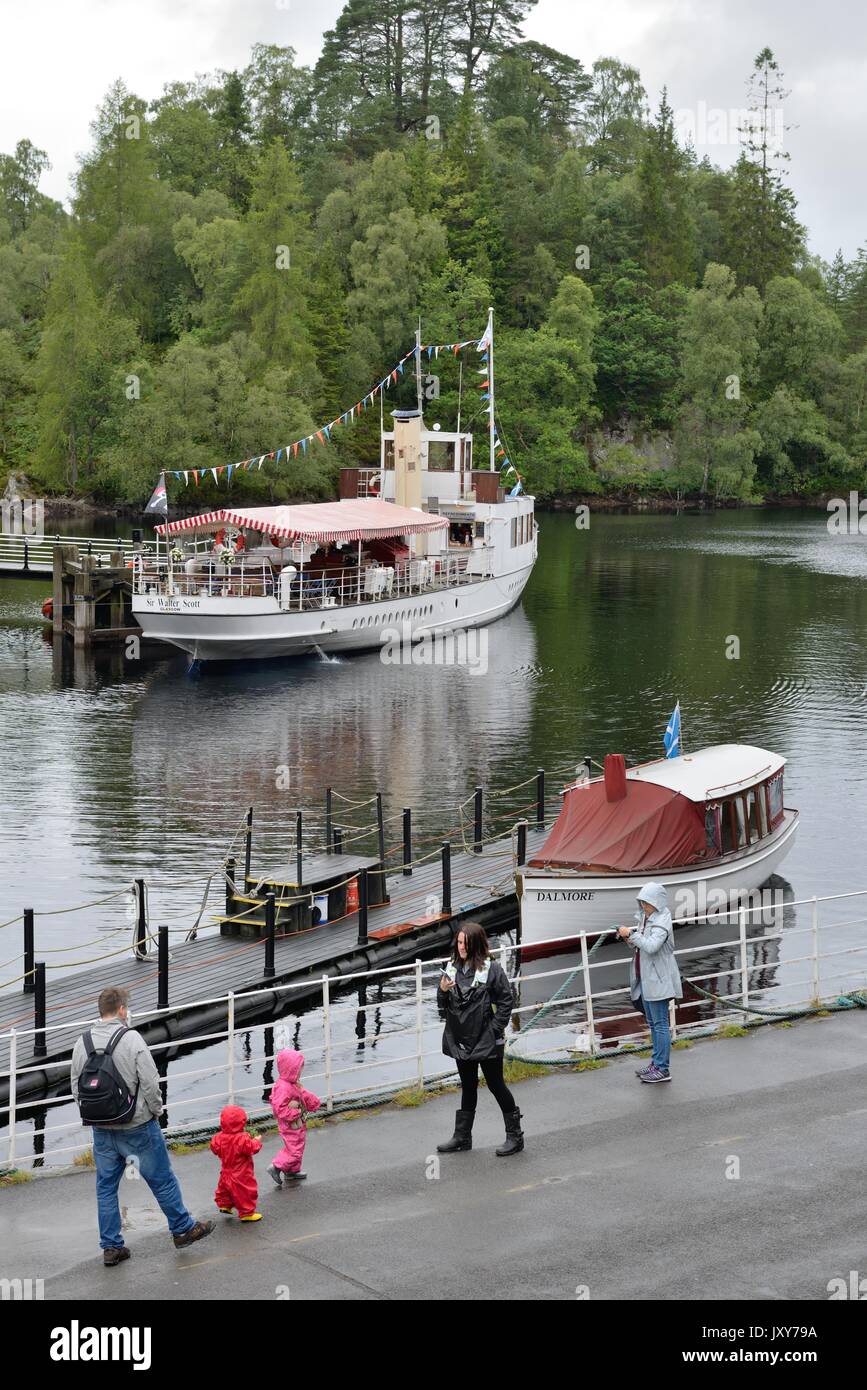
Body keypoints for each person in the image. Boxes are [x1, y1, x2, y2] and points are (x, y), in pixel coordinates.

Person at [70, 986, 214, 1265]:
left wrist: (93, 1115)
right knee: (161, 1179)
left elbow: (76, 1086)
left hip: (101, 1129)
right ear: (122, 1009)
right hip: (136, 1125)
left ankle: (112, 1247)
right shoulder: (131, 1038)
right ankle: (183, 1229)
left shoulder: (82, 1042)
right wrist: (155, 1111)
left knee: (106, 1187)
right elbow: (150, 1082)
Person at [436, 922, 523, 1157]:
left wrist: (495, 1030)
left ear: (475, 944)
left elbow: (506, 1001)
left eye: (465, 943)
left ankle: (515, 1136)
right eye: (459, 942)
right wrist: (443, 990)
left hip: (487, 1039)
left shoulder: (491, 969)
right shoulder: (452, 968)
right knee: (468, 1086)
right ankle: (462, 1137)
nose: (460, 946)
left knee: (496, 1085)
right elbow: (441, 1005)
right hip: (460, 1038)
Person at [618, 880, 683, 1083]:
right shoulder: (646, 919)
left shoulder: (662, 920)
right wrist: (629, 938)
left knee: (661, 1024)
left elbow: (653, 946)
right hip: (647, 979)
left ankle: (662, 1069)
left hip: (658, 980)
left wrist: (632, 935)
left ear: (656, 902)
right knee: (654, 1024)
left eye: (646, 902)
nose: (643, 906)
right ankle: (656, 1064)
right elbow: (641, 944)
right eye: (642, 902)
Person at [267, 1049, 321, 1185]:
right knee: (294, 1150)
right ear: (290, 1069)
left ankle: (292, 1171)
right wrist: (295, 1113)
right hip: (289, 1125)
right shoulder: (283, 1088)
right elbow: (279, 1108)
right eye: (298, 1070)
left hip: (297, 1124)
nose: (300, 1073)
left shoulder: (292, 1084)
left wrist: (313, 1103)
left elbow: (304, 1095)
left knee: (298, 1146)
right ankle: (276, 1166)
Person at [210, 1105, 263, 1222]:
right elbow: (251, 1148)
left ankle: (225, 1205)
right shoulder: (242, 1138)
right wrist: (257, 1141)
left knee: (224, 1189)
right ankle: (247, 1213)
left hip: (226, 1170)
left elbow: (214, 1148)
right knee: (245, 1192)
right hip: (241, 1172)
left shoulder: (219, 1137)